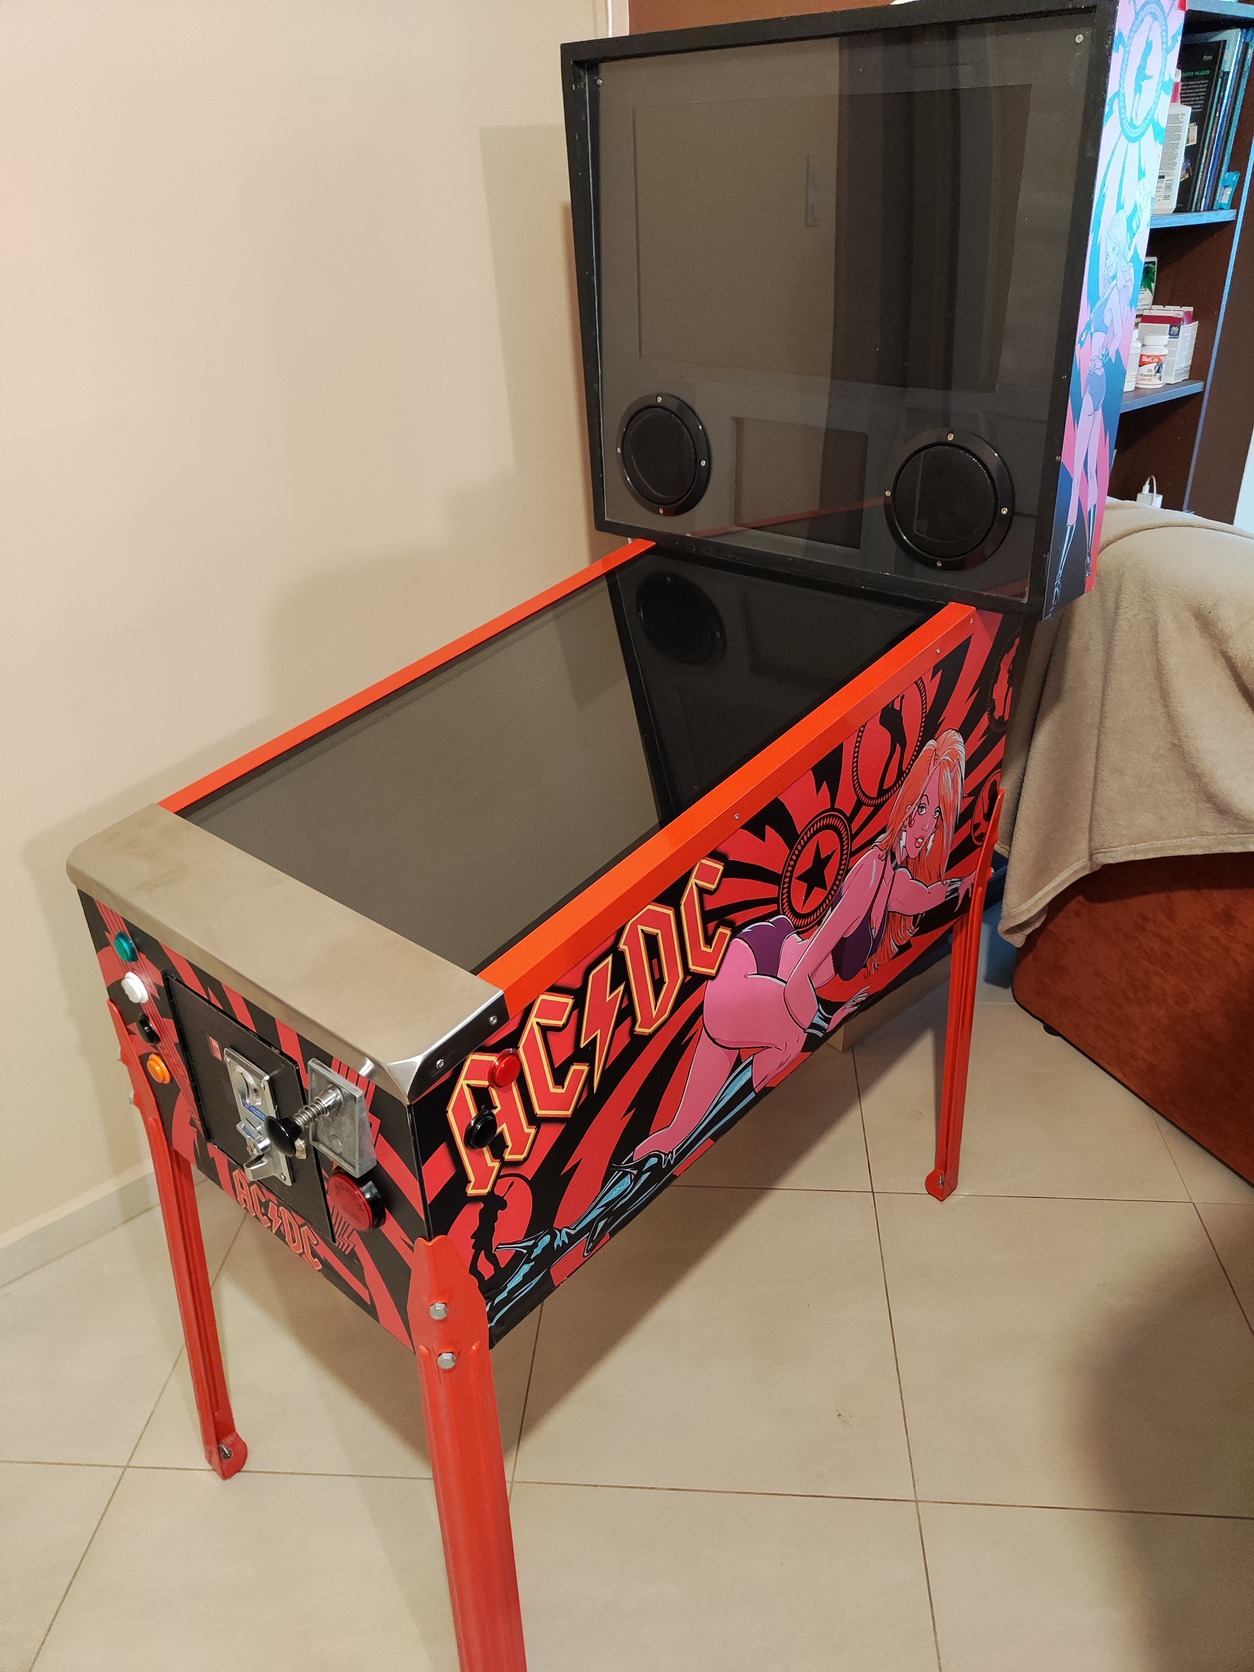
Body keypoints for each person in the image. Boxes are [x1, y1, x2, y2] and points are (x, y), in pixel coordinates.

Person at [487, 729, 972, 1336]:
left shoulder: (896, 879)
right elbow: (803, 978)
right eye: (919, 805)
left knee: (676, 1132)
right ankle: (574, 1231)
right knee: (784, 1049)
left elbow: (926, 894)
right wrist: (818, 1022)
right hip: (764, 971)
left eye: (935, 814)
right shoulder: (871, 871)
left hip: (763, 972)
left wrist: (964, 882)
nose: (923, 824)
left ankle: (564, 1234)